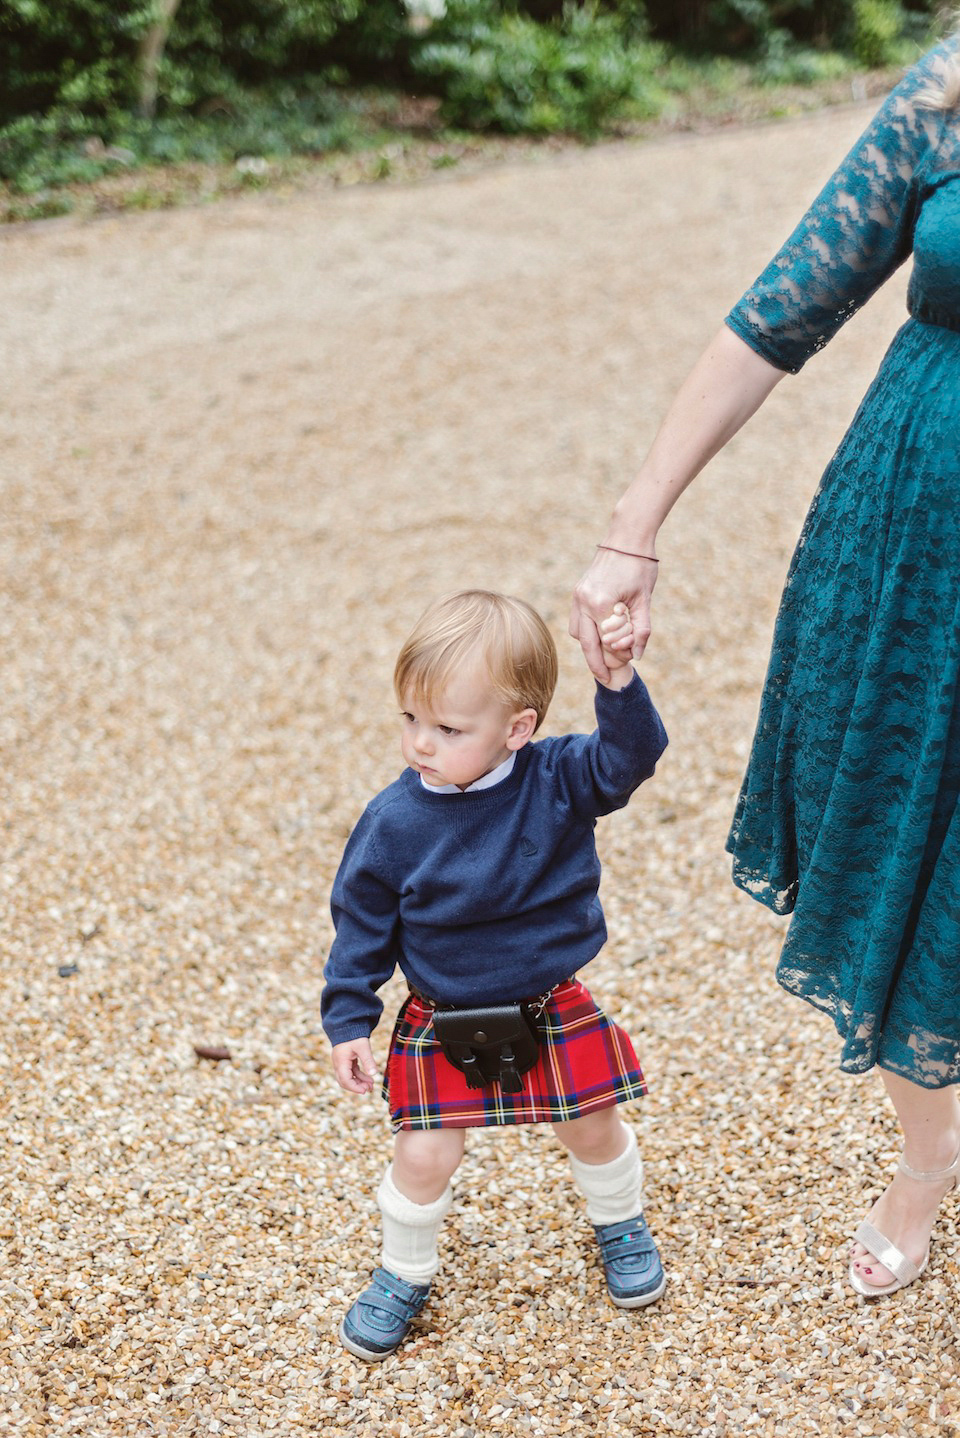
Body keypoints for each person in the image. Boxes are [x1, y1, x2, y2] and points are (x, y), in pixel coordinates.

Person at [570, 31, 960, 1297]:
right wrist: (636, 526)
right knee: (906, 849)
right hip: (920, 549)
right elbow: (780, 309)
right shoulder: (951, 97)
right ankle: (929, 1155)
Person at [322, 589, 668, 1359]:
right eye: (410, 719)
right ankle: (402, 1271)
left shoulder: (559, 778)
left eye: (448, 728)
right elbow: (363, 925)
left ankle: (620, 1225)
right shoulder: (393, 822)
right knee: (422, 1152)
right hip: (441, 1012)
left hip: (549, 1002)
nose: (420, 744)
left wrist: (616, 685)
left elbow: (632, 758)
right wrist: (349, 1017)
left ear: (518, 730)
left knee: (591, 1125)